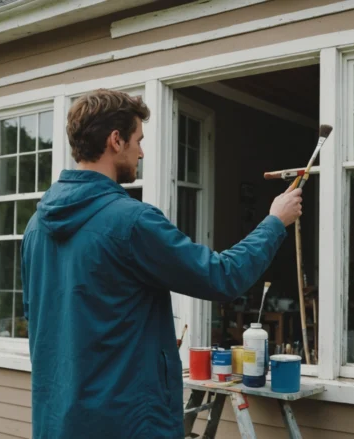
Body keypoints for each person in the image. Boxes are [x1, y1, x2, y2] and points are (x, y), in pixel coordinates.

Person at [21, 88, 302, 439]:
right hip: (127, 424)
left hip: (57, 424)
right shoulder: (131, 222)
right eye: (138, 139)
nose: (141, 151)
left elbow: (38, 325)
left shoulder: (35, 227)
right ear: (115, 140)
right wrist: (274, 223)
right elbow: (220, 276)